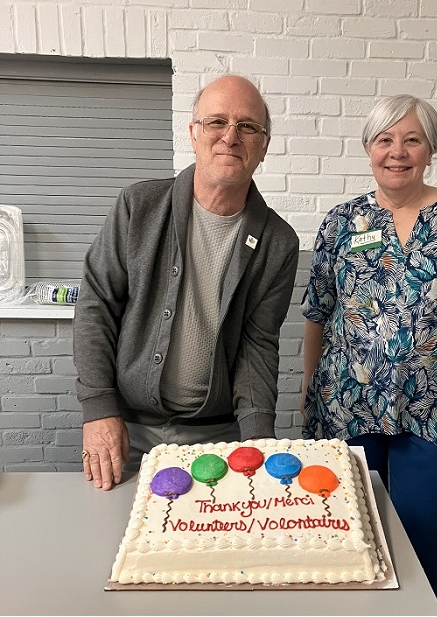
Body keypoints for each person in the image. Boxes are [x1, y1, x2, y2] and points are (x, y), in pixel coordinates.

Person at [300, 94, 437, 609]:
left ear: (430, 148)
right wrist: (308, 392)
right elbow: (317, 312)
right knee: (346, 526)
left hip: (433, 408)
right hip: (347, 405)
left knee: (423, 527)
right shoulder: (342, 222)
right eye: (385, 139)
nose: (398, 151)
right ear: (368, 148)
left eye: (411, 139)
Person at [74, 75, 299, 492]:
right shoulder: (137, 207)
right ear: (193, 133)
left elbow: (257, 342)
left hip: (217, 438)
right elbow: (96, 306)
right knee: (116, 547)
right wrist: (98, 409)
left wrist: (258, 436)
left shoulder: (279, 243)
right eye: (216, 122)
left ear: (263, 146)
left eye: (247, 126)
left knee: (209, 551)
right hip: (124, 430)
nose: (230, 137)